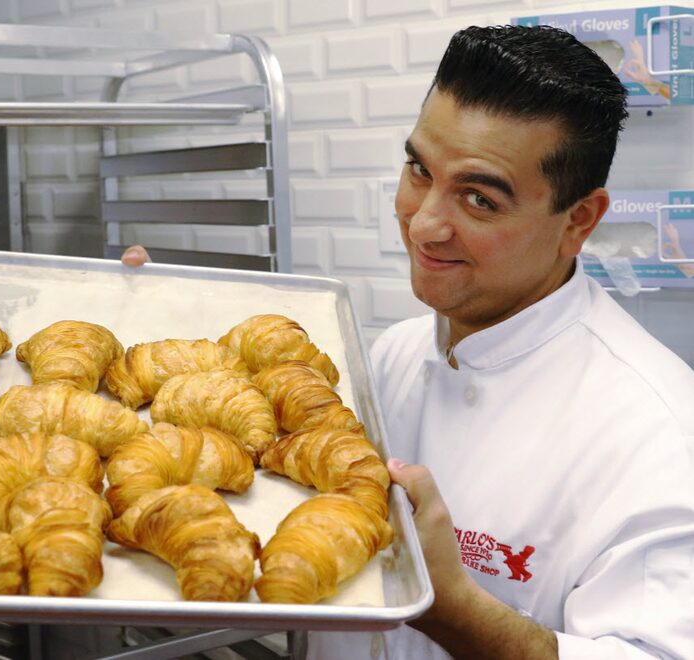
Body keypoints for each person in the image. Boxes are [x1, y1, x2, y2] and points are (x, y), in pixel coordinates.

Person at [121, 24, 694, 659]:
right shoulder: (393, 356)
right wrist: (156, 340)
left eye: (479, 199)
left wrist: (453, 610)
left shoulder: (658, 432)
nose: (423, 224)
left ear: (578, 220)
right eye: (420, 170)